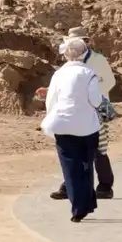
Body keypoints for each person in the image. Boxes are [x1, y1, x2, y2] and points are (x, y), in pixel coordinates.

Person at [50, 27, 116, 201]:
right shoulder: (67, 65)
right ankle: (69, 186)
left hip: (95, 110)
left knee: (99, 149)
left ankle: (105, 185)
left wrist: (91, 95)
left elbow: (109, 81)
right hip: (76, 111)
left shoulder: (98, 60)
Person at [41, 37, 103, 222]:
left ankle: (79, 207)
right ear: (85, 53)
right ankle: (85, 204)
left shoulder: (58, 74)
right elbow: (96, 101)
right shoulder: (89, 73)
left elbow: (50, 100)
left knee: (70, 167)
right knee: (86, 164)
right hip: (86, 126)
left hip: (62, 124)